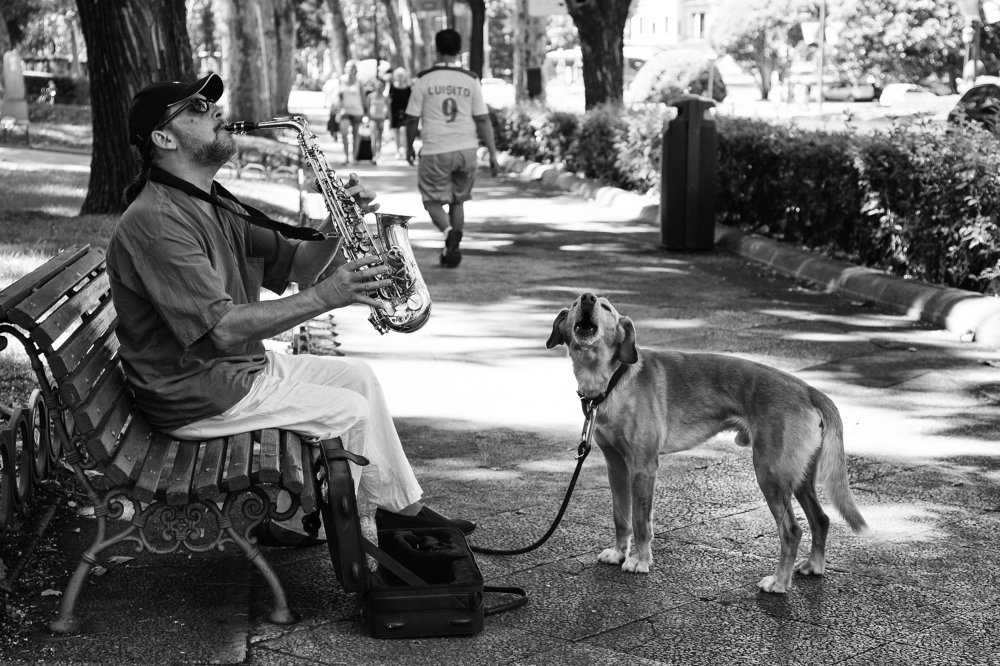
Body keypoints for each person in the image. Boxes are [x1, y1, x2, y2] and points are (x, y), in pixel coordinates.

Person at [108, 72, 474, 545]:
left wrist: (337, 220)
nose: (217, 111)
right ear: (163, 138)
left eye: (212, 103)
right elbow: (220, 329)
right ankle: (352, 553)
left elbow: (299, 266)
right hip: (195, 393)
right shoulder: (157, 222)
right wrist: (328, 296)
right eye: (198, 108)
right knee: (349, 410)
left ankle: (405, 514)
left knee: (358, 378)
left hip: (231, 371)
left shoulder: (211, 199)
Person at [405, 30, 499, 268]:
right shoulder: (470, 79)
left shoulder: (424, 79)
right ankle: (451, 249)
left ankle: (448, 233)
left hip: (436, 149)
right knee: (458, 201)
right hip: (467, 149)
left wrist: (408, 146)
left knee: (431, 201)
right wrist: (493, 154)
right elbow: (482, 119)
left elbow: (411, 119)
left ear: (436, 49)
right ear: (459, 50)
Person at [334, 60, 366, 164]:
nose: (350, 70)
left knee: (356, 135)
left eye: (352, 68)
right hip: (345, 111)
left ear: (355, 70)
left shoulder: (358, 82)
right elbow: (339, 96)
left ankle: (354, 158)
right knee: (344, 133)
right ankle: (347, 157)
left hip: (357, 111)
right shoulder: (341, 80)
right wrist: (337, 110)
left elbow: (363, 97)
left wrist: (367, 111)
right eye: (348, 67)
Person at [388, 67, 412, 159]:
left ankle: (405, 150)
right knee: (396, 132)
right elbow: (389, 100)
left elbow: (410, 101)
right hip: (394, 112)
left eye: (402, 75)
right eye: (398, 75)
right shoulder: (392, 86)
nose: (400, 77)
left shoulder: (408, 88)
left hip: (405, 112)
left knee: (403, 131)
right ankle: (397, 150)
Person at [366, 79, 388, 162]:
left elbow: (388, 110)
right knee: (373, 138)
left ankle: (379, 154)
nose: (379, 87)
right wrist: (369, 117)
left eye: (381, 86)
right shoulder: (370, 96)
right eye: (378, 85)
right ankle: (374, 155)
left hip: (381, 119)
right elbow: (367, 108)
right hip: (373, 119)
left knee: (380, 138)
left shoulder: (385, 97)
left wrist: (387, 119)